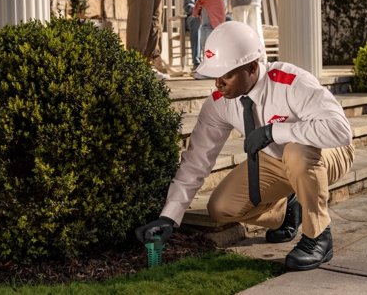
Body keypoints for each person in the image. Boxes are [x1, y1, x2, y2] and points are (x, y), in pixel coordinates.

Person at [135, 22, 355, 272]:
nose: (219, 83)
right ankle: (286, 210)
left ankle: (318, 238)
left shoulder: (291, 82)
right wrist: (169, 216)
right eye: (215, 75)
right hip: (276, 161)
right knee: (221, 208)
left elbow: (340, 131)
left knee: (297, 152)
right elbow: (196, 160)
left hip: (326, 152)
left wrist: (275, 131)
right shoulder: (219, 103)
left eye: (226, 75)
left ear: (252, 67)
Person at [183, 0, 232, 73]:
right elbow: (187, 6)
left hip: (215, 16)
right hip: (194, 16)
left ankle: (226, 60)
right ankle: (197, 63)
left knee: (229, 20)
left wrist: (212, 10)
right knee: (197, 20)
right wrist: (203, 10)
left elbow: (223, 7)